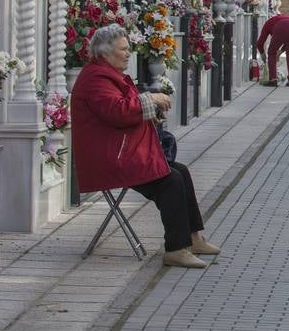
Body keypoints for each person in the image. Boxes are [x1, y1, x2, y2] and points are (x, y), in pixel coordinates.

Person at [71, 23, 222, 269]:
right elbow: (117, 111)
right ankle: (175, 248)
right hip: (109, 159)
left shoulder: (107, 75)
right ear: (105, 53)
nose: (129, 53)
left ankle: (193, 239)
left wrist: (149, 108)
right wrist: (150, 99)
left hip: (122, 151)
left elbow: (123, 108)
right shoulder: (97, 78)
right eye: (123, 49)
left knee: (180, 172)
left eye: (128, 47)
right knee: (170, 181)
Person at [256, 12, 289, 87]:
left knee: (271, 52)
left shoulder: (268, 23)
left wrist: (262, 54)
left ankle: (273, 79)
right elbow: (288, 42)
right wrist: (281, 51)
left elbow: (260, 43)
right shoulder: (282, 18)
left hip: (281, 26)